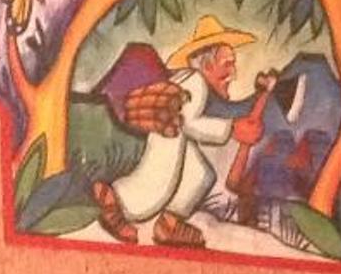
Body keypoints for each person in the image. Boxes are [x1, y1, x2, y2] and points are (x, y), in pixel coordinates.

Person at [94, 15, 278, 249]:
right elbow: (187, 122)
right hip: (169, 139)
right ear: (208, 65)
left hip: (174, 136)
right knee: (158, 181)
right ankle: (114, 203)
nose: (233, 72)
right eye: (227, 64)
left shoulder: (190, 79)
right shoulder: (196, 82)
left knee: (201, 174)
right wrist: (231, 128)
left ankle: (169, 225)